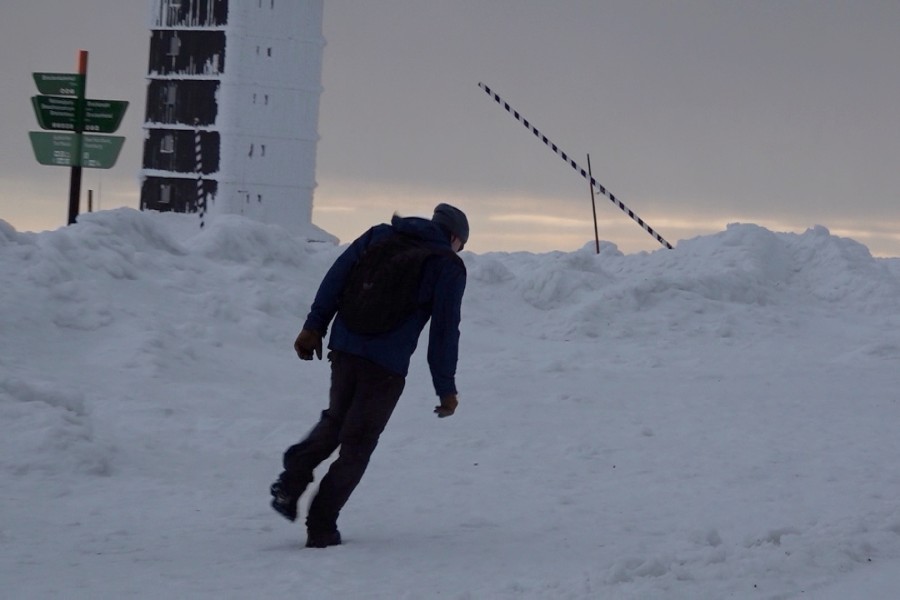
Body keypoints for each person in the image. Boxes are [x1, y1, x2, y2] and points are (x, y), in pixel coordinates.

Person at [270, 203, 469, 548]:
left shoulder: (380, 234)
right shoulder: (446, 264)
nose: (458, 251)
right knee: (357, 445)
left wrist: (314, 326)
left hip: (345, 347)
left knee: (336, 420)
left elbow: (337, 276)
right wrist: (446, 388)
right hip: (386, 366)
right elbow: (444, 331)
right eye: (460, 246)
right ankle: (322, 525)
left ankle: (292, 480)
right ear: (454, 237)